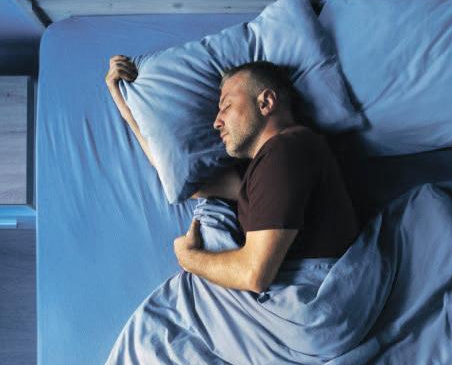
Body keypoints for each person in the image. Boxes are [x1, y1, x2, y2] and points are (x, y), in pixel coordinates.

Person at [105, 55, 358, 294]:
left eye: (226, 105)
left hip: (309, 298)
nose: (216, 122)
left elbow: (254, 275)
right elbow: (186, 182)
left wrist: (189, 258)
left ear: (265, 103)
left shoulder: (285, 152)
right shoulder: (268, 162)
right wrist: (125, 102)